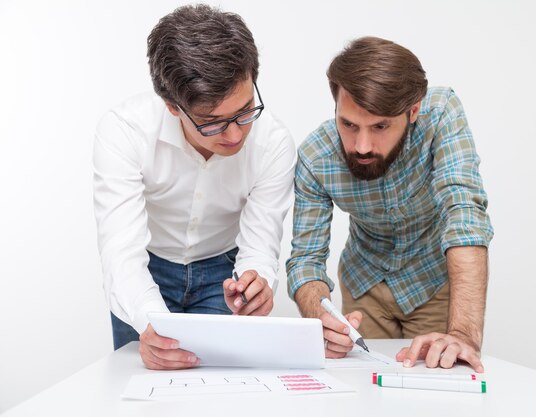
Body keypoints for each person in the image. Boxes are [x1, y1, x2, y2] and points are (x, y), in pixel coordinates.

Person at [93, 5, 295, 370]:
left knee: (219, 392)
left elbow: (262, 243)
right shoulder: (125, 131)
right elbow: (121, 253)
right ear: (172, 106)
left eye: (246, 110)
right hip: (145, 273)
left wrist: (258, 282)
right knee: (140, 386)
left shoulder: (274, 142)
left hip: (223, 272)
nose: (235, 135)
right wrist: (153, 322)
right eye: (212, 123)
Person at [286, 36, 494, 372]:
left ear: (413, 111)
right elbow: (306, 260)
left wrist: (463, 333)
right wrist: (319, 317)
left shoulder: (440, 113)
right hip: (364, 282)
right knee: (366, 385)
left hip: (433, 282)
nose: (362, 145)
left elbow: (464, 214)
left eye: (380, 126)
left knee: (437, 384)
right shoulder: (315, 157)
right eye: (348, 124)